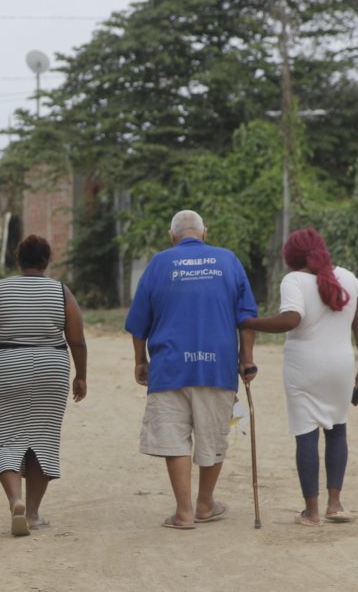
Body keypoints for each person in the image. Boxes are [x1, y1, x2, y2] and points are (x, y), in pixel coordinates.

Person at [125, 210, 258, 530]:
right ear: (204, 233)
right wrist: (246, 359)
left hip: (170, 367)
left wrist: (140, 360)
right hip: (217, 366)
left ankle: (183, 512)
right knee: (213, 438)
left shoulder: (158, 263)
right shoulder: (228, 261)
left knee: (174, 439)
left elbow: (138, 321)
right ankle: (205, 503)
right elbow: (247, 318)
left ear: (173, 237)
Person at [238, 227, 358, 526]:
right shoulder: (349, 279)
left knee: (306, 435)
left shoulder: (293, 281)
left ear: (291, 257)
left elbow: (291, 319)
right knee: (337, 430)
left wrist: (249, 321)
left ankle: (311, 512)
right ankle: (335, 505)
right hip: (340, 364)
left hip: (304, 366)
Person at [0, 234, 87, 537]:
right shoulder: (62, 292)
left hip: (8, 364)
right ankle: (32, 514)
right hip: (52, 367)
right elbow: (77, 339)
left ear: (18, 260)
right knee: (43, 439)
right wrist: (81, 375)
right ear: (47, 261)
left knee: (5, 437)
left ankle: (15, 500)